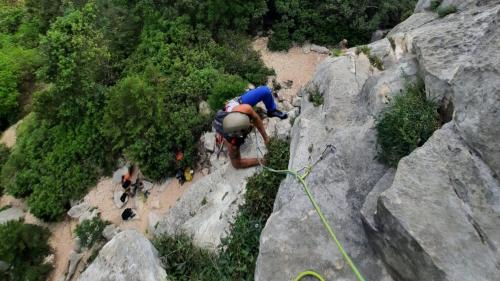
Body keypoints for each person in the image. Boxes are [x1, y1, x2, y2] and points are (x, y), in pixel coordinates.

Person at [214, 86, 287, 169]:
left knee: (265, 91)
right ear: (239, 133)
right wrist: (262, 160)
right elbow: (237, 164)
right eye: (247, 129)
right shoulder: (232, 143)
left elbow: (256, 118)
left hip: (235, 104)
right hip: (228, 128)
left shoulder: (244, 109)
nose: (251, 125)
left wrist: (266, 138)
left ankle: (272, 110)